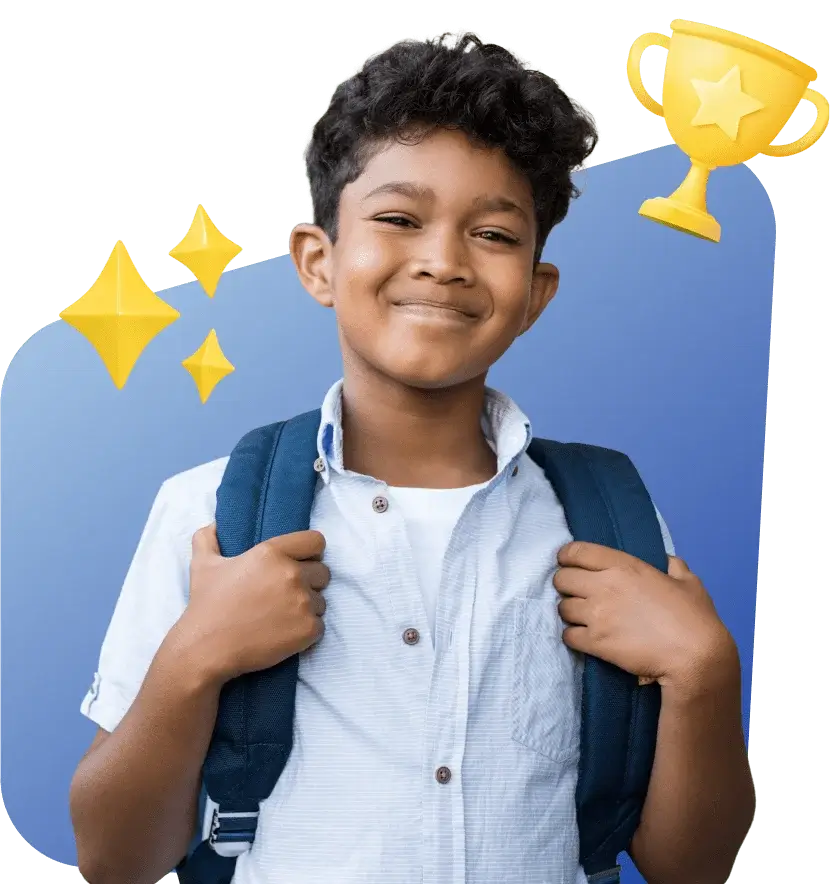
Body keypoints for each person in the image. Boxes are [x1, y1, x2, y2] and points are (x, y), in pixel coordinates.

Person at [69, 30, 756, 884]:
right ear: (317, 262)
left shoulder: (607, 519)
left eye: (496, 235)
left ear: (537, 293)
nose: (442, 263)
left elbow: (690, 868)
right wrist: (194, 658)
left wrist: (704, 673)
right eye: (399, 220)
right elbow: (113, 861)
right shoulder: (212, 515)